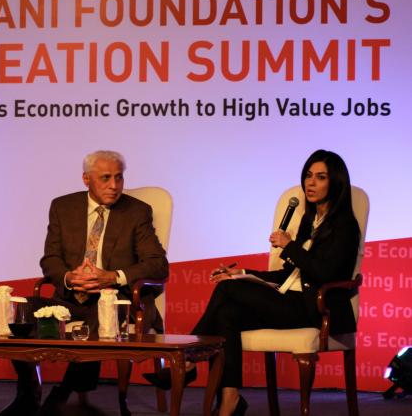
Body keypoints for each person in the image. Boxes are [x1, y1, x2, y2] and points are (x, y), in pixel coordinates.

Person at [143, 149, 360, 416]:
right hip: (291, 301)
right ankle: (230, 400)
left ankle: (187, 360)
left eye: (320, 177)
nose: (310, 183)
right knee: (227, 314)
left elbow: (324, 273)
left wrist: (290, 246)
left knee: (226, 289)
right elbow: (288, 276)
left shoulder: (345, 226)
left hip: (316, 308)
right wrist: (242, 272)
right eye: (308, 175)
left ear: (335, 182)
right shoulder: (309, 220)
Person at [0, 150, 169, 416]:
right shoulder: (63, 207)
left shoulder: (137, 211)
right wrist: (69, 277)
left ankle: (62, 395)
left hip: (117, 301)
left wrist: (112, 276)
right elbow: (50, 259)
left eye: (119, 177)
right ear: (87, 179)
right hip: (71, 299)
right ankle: (28, 394)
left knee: (99, 318)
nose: (114, 185)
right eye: (106, 178)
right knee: (22, 310)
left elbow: (158, 264)